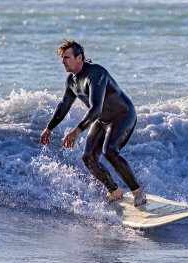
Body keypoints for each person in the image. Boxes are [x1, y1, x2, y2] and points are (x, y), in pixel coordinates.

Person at [40, 39, 146, 206]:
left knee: (109, 151)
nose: (63, 62)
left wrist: (77, 130)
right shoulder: (72, 81)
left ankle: (137, 191)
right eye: (62, 58)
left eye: (67, 57)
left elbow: (96, 108)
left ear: (79, 58)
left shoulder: (96, 73)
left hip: (123, 115)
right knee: (88, 157)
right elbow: (64, 105)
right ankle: (114, 190)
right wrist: (49, 128)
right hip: (102, 120)